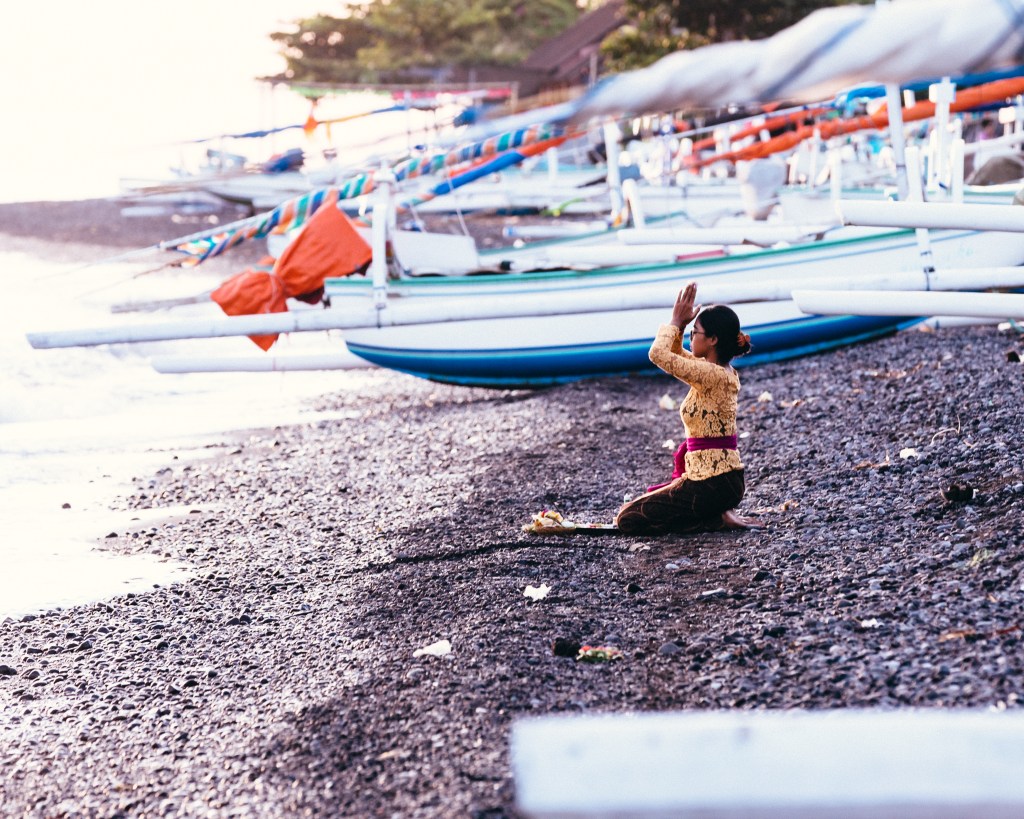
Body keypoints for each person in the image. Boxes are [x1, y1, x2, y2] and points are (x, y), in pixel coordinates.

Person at [615, 282, 761, 534]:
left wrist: (674, 320)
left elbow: (658, 355)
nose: (691, 338)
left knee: (628, 519)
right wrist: (681, 326)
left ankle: (715, 519)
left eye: (695, 333)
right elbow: (674, 355)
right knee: (633, 508)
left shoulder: (712, 374)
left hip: (713, 484)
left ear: (713, 340)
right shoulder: (716, 372)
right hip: (718, 481)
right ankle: (718, 513)